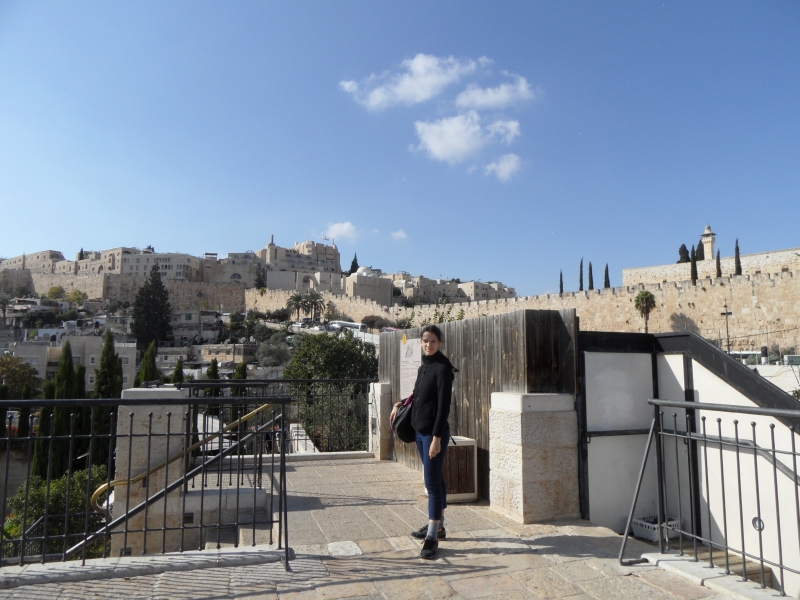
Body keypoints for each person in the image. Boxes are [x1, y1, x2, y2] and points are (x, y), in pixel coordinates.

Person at [390, 324, 455, 560]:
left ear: (440, 343)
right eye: (425, 341)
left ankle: (432, 537)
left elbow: (443, 407)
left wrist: (436, 439)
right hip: (419, 431)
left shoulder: (443, 368)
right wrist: (400, 403)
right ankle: (439, 526)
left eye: (433, 341)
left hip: (433, 434)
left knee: (431, 483)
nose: (429, 345)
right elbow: (419, 394)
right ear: (421, 342)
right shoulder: (424, 366)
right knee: (436, 477)